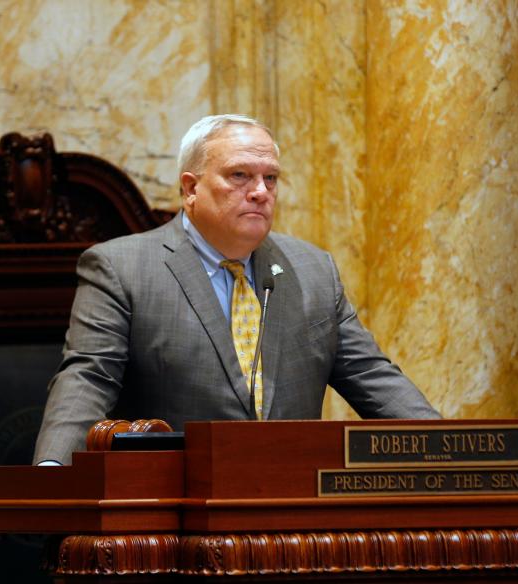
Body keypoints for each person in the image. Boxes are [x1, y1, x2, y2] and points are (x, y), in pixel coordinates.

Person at [33, 114, 439, 465]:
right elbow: (89, 377)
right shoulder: (123, 269)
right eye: (240, 175)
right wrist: (52, 470)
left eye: (271, 178)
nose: (261, 191)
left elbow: (371, 374)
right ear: (191, 188)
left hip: (291, 513)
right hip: (171, 516)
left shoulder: (313, 270)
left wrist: (449, 450)